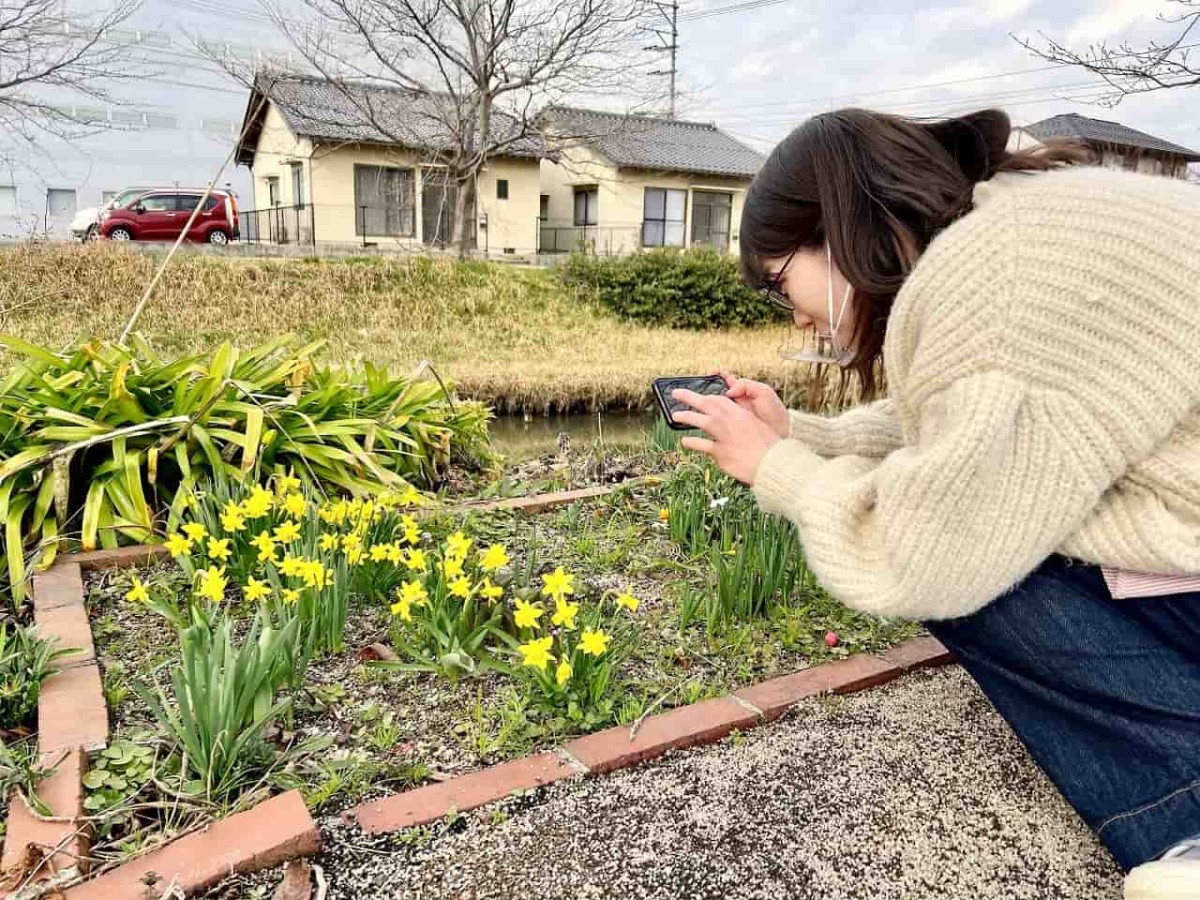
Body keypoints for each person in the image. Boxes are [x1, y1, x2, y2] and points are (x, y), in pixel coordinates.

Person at [670, 108, 1200, 900]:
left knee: (973, 568)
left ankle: (1186, 818)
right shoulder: (1020, 222)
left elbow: (918, 553)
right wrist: (802, 433)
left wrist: (782, 471)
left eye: (785, 284)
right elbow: (969, 416)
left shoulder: (985, 282)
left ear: (841, 229)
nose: (799, 316)